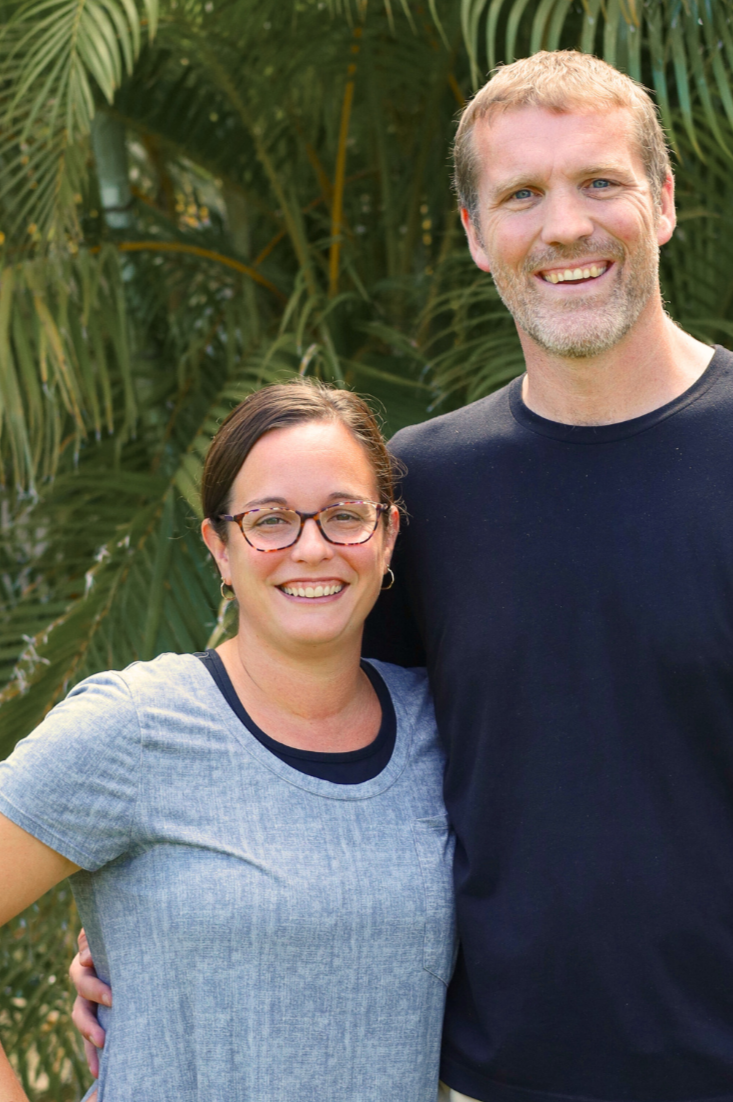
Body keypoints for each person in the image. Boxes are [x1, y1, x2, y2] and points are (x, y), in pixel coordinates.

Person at [72, 50, 733, 1102]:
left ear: (662, 202)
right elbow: (328, 753)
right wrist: (150, 918)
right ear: (473, 235)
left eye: (598, 182)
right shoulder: (430, 489)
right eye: (520, 196)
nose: (563, 227)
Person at [0, 381, 455, 1101]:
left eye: (344, 515)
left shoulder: (444, 731)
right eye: (269, 520)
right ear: (218, 546)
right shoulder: (134, 727)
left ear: (389, 531)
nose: (311, 547)